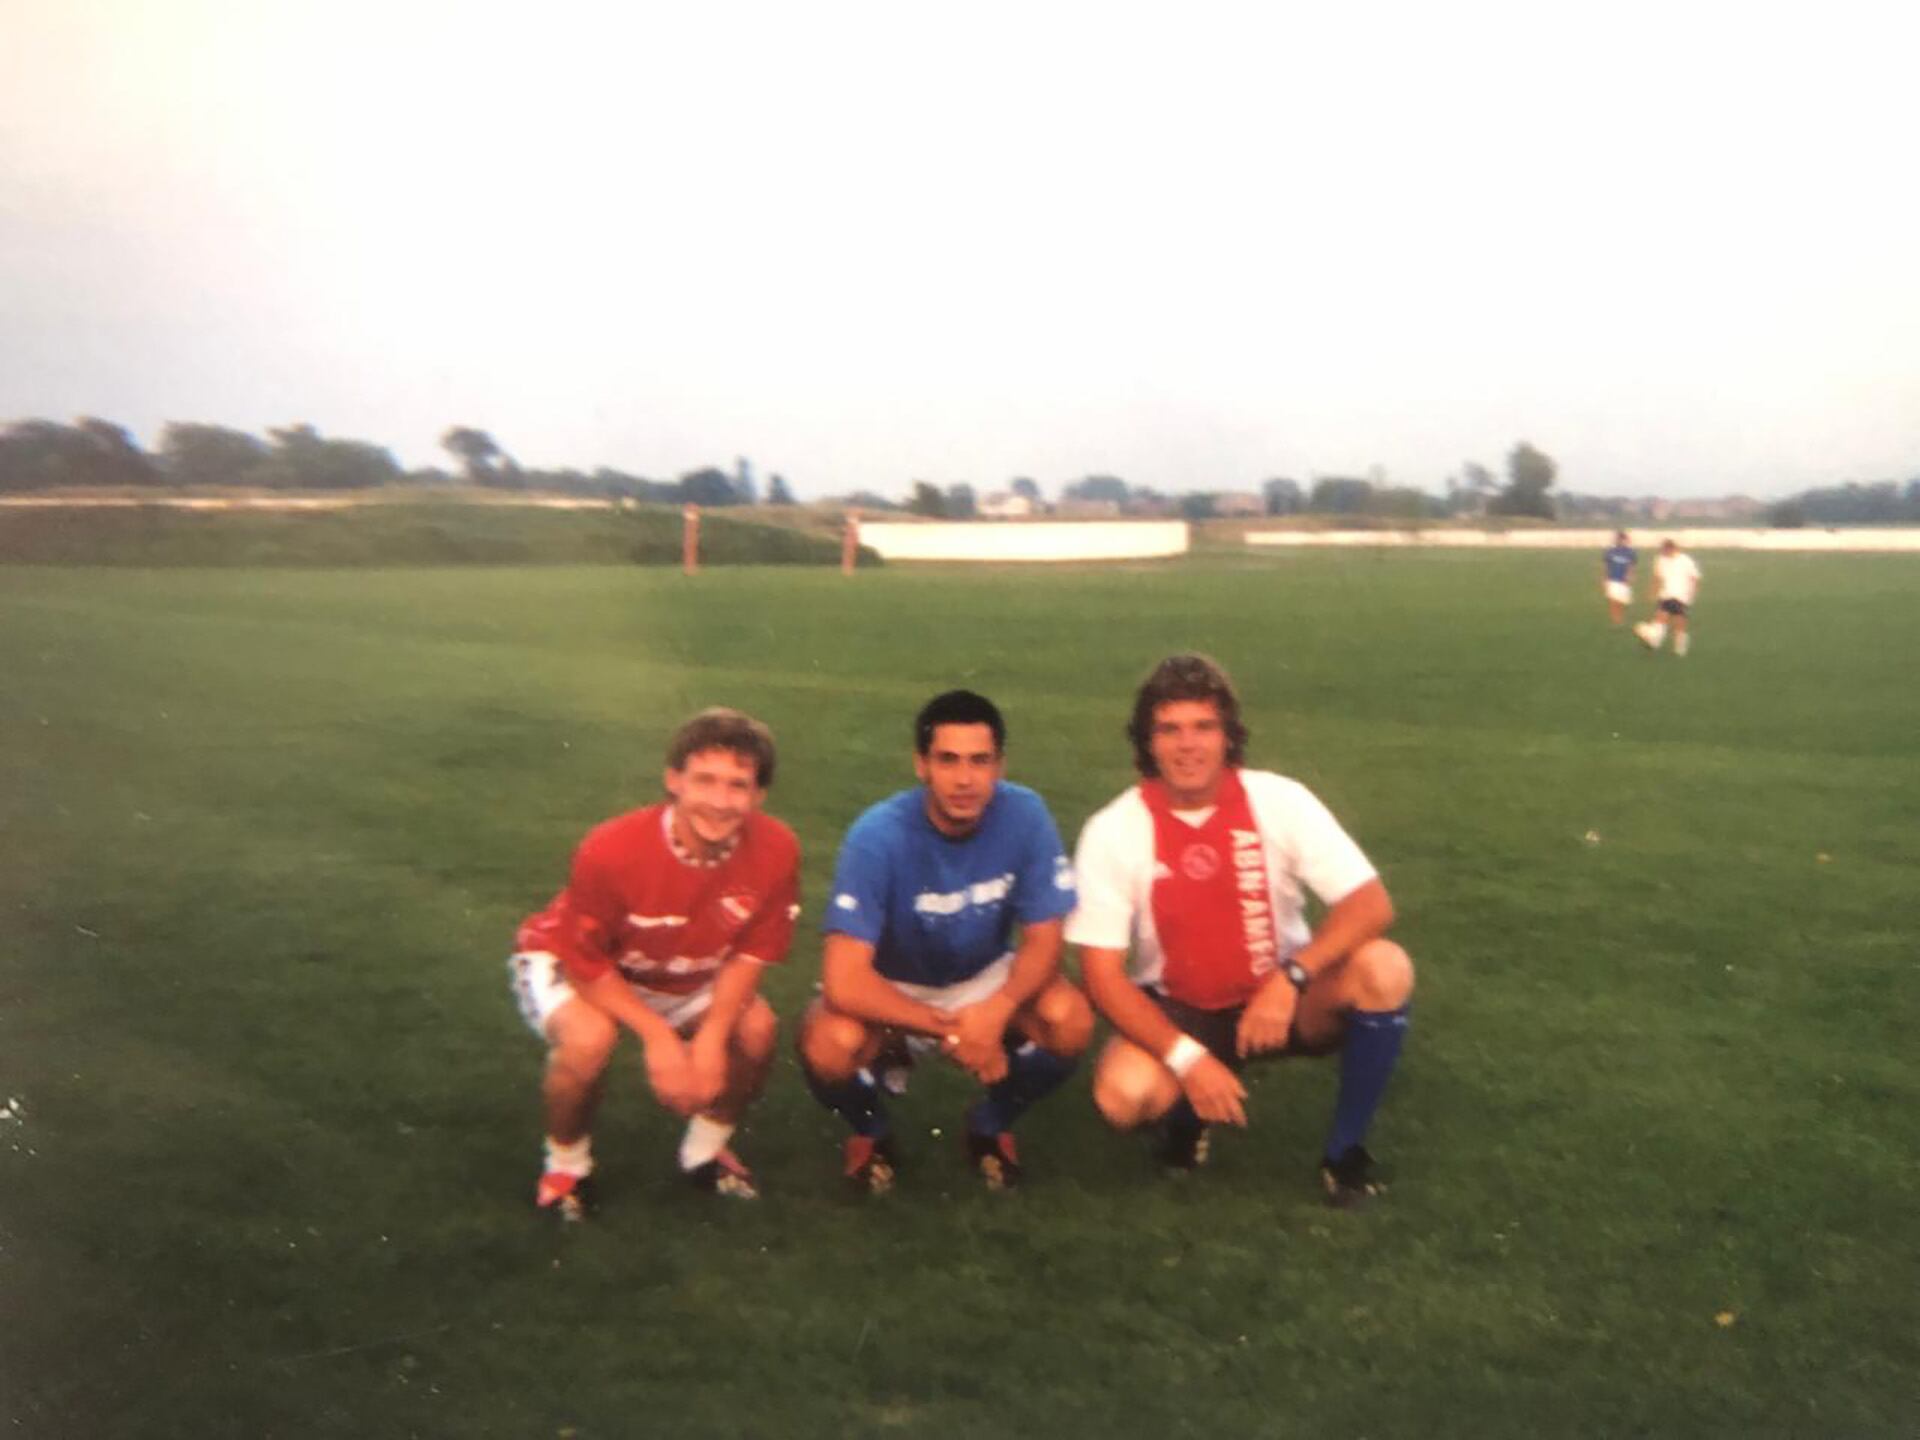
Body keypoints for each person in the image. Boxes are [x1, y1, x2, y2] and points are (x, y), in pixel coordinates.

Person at [1066, 654, 1415, 1208]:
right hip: (1182, 1008)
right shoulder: (1114, 829)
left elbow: (1370, 903)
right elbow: (1102, 977)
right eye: (1169, 729)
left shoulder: (1279, 800)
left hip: (1284, 1001)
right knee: (1123, 1097)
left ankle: (1344, 1154)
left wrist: (1291, 977)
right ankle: (1185, 1118)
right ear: (1147, 742)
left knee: (1385, 966)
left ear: (1229, 736)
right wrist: (1189, 1060)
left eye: (1204, 726)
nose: (1188, 745)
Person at [507, 708, 800, 1220]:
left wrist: (709, 1040)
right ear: (673, 780)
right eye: (704, 780)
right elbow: (585, 962)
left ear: (758, 797)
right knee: (589, 1040)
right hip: (574, 961)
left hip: (680, 967)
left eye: (737, 786)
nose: (719, 801)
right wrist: (659, 1038)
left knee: (756, 1031)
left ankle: (705, 1153)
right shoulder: (612, 848)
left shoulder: (777, 849)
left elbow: (750, 955)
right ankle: (566, 1164)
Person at [798, 689, 1091, 1192]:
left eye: (980, 761)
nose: (964, 779)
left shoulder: (1026, 814)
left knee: (1070, 1020)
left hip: (980, 975)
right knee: (829, 1044)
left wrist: (996, 1011)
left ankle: (989, 1125)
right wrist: (955, 1031)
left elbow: (1046, 939)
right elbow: (844, 980)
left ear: (1000, 766)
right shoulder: (877, 834)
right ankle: (872, 1132)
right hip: (894, 985)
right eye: (948, 760)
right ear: (921, 765)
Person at [1635, 538, 1703, 656]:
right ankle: (1653, 640)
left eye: (1665, 550)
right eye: (1662, 550)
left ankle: (1679, 647)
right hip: (1666, 595)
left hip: (1681, 595)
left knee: (1679, 623)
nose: (1663, 553)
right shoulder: (1660, 560)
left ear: (1672, 548)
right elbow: (1657, 577)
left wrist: (1692, 594)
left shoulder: (1685, 560)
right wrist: (1653, 591)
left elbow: (1695, 577)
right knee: (1661, 618)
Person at [1601, 530, 1638, 625]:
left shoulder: (1630, 552)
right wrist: (1604, 579)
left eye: (1622, 539)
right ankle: (1616, 621)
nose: (1620, 541)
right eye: (1618, 539)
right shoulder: (1610, 552)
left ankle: (1620, 618)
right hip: (1612, 579)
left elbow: (1632, 566)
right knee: (1613, 602)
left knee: (1621, 602)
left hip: (1624, 581)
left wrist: (1631, 576)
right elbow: (1605, 566)